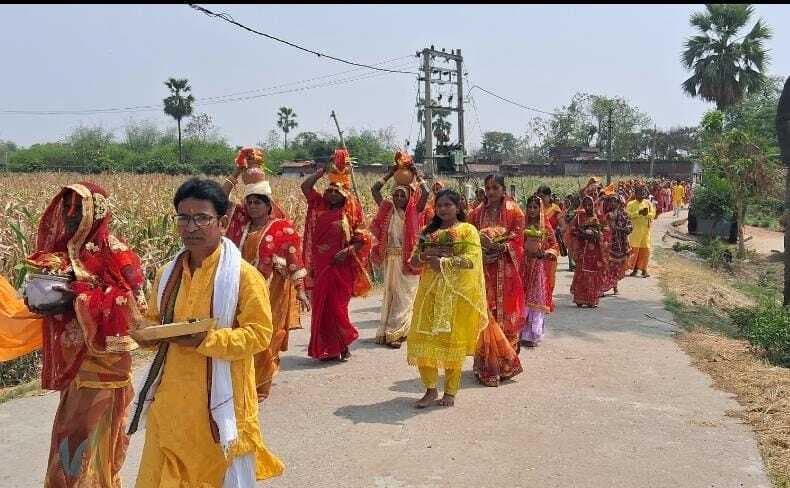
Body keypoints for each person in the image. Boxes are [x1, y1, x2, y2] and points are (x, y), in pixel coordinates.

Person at [130, 177, 284, 487]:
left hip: (220, 407)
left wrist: (206, 340)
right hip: (172, 405)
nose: (191, 227)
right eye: (183, 218)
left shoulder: (243, 276)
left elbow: (258, 335)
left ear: (223, 221)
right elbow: (155, 322)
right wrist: (141, 331)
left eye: (202, 218)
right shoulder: (167, 273)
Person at [0, 183, 146, 487]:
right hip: (76, 368)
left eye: (77, 208)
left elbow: (135, 306)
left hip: (105, 369)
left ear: (97, 211)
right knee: (68, 440)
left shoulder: (117, 253)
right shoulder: (66, 254)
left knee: (91, 448)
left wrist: (83, 296)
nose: (69, 216)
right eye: (66, 208)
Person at [222, 151, 310, 402]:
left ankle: (261, 384)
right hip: (241, 289)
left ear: (268, 204)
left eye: (257, 202)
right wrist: (238, 172)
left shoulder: (283, 228)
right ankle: (242, 378)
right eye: (249, 202)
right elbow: (219, 198)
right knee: (242, 331)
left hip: (272, 291)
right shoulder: (240, 221)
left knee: (267, 335)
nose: (252, 207)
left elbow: (294, 259)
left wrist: (301, 290)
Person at [407, 189, 487, 407]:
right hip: (428, 293)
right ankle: (430, 389)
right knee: (422, 339)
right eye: (439, 205)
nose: (442, 209)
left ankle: (450, 392)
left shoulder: (467, 230)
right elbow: (413, 261)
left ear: (458, 206)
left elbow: (472, 260)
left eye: (447, 205)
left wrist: (444, 262)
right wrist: (426, 256)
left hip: (454, 294)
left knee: (452, 342)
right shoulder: (428, 230)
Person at [301, 149, 373, 361]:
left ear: (344, 195)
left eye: (337, 192)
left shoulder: (350, 210)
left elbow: (364, 237)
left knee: (337, 308)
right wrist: (322, 170)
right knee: (321, 308)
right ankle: (328, 348)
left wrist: (347, 251)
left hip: (341, 265)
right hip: (321, 264)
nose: (332, 194)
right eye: (330, 191)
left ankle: (343, 342)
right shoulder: (318, 204)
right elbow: (305, 187)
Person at [468, 174, 524, 386]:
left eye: (495, 188)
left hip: (505, 271)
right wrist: (481, 251)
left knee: (505, 314)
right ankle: (485, 364)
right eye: (488, 188)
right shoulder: (475, 214)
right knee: (485, 313)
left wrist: (503, 247)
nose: (491, 192)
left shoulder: (515, 212)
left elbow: (518, 240)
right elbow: (469, 241)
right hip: (483, 271)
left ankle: (505, 364)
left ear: (503, 190)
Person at [370, 161, 429, 348]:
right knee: (392, 295)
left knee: (406, 297)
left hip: (409, 260)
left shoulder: (415, 210)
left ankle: (396, 333)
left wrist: (417, 175)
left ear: (409, 196)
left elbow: (426, 193)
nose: (397, 198)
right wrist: (389, 173)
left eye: (401, 195)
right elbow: (375, 190)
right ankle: (391, 331)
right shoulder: (387, 208)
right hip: (391, 259)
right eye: (395, 194)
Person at [521, 194, 559, 347]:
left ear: (540, 209)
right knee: (522, 297)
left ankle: (532, 334)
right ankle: (520, 331)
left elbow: (554, 246)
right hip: (523, 265)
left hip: (538, 266)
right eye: (529, 207)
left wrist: (545, 253)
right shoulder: (522, 224)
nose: (531, 210)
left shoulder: (546, 226)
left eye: (535, 207)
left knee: (535, 298)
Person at [570, 195, 606, 308]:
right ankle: (579, 299)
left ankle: (591, 299)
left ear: (593, 205)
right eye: (585, 205)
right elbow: (572, 230)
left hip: (594, 250)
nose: (587, 207)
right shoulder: (579, 217)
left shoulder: (598, 217)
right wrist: (582, 234)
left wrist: (594, 234)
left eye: (590, 204)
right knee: (581, 273)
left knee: (593, 273)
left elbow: (603, 233)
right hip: (582, 249)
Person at [600, 195, 633, 295]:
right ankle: (604, 287)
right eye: (611, 201)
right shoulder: (607, 215)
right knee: (608, 266)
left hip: (620, 244)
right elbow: (603, 228)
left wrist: (619, 229)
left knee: (617, 266)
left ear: (619, 203)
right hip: (609, 243)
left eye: (615, 201)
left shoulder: (624, 215)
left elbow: (630, 227)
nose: (613, 203)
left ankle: (615, 286)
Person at [626, 186, 656, 278]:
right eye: (640, 192)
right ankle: (634, 270)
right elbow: (628, 215)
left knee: (645, 251)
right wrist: (638, 213)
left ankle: (644, 270)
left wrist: (646, 214)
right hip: (635, 232)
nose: (642, 194)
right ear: (635, 194)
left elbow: (653, 214)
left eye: (643, 192)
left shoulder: (648, 203)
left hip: (646, 232)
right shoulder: (631, 204)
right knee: (635, 251)